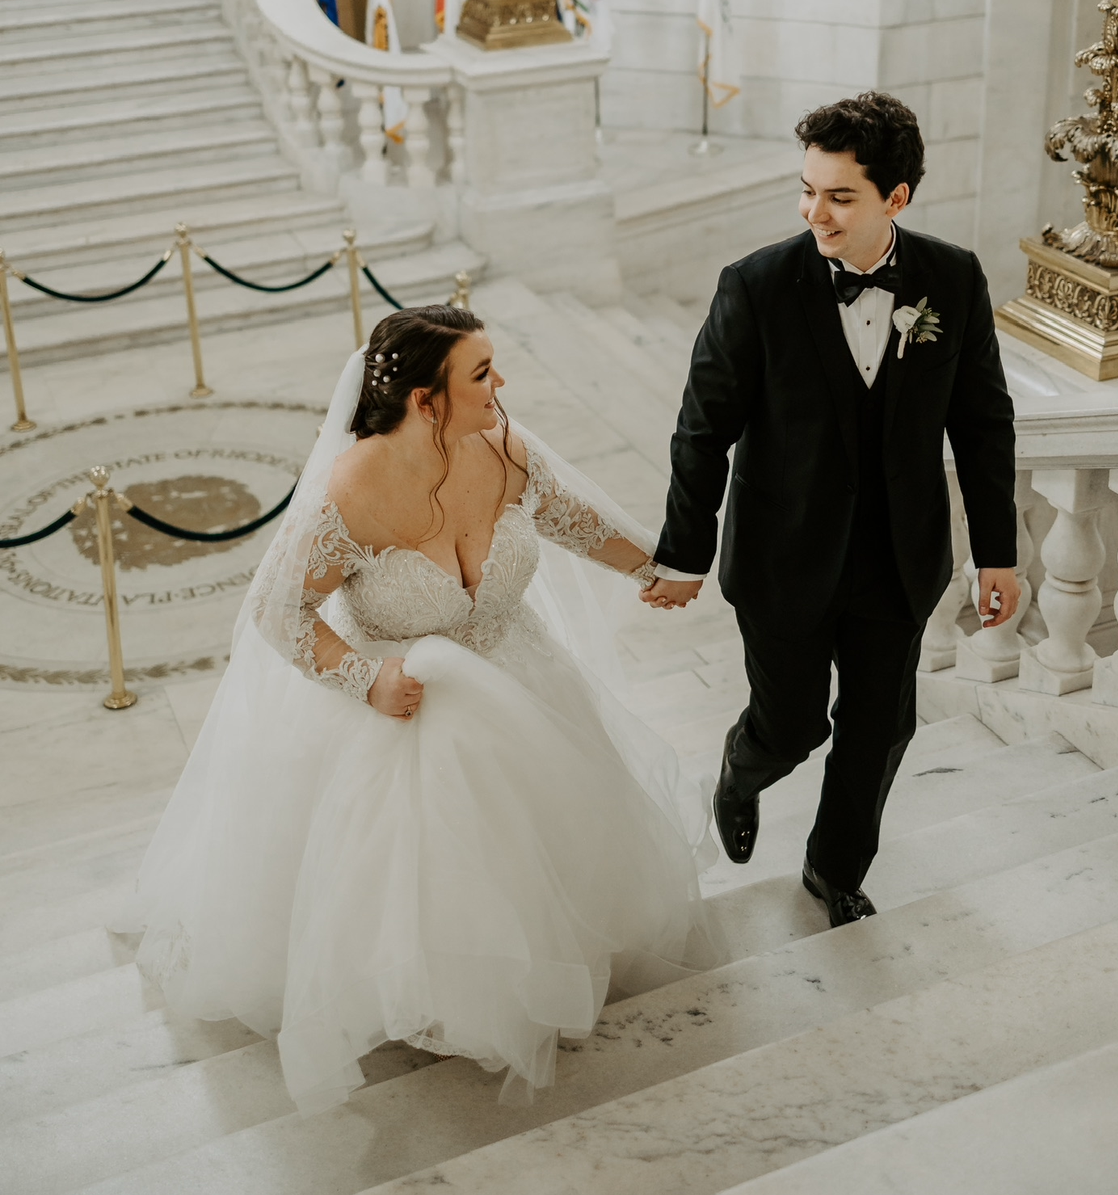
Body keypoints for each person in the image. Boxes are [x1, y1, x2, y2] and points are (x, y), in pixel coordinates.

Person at [129, 306, 719, 1114]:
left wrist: (659, 567)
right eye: (481, 373)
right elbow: (276, 611)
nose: (501, 384)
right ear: (423, 401)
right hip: (402, 707)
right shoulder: (350, 493)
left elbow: (573, 519)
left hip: (524, 683)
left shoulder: (505, 446)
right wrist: (362, 680)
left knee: (552, 843)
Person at [641, 92, 1019, 927]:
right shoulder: (755, 287)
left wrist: (999, 551)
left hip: (899, 559)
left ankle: (834, 866)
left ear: (897, 198)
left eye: (839, 195)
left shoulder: (952, 279)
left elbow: (984, 424)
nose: (816, 211)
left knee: (880, 728)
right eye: (806, 189)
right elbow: (702, 433)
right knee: (792, 725)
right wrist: (682, 553)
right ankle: (743, 769)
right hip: (784, 561)